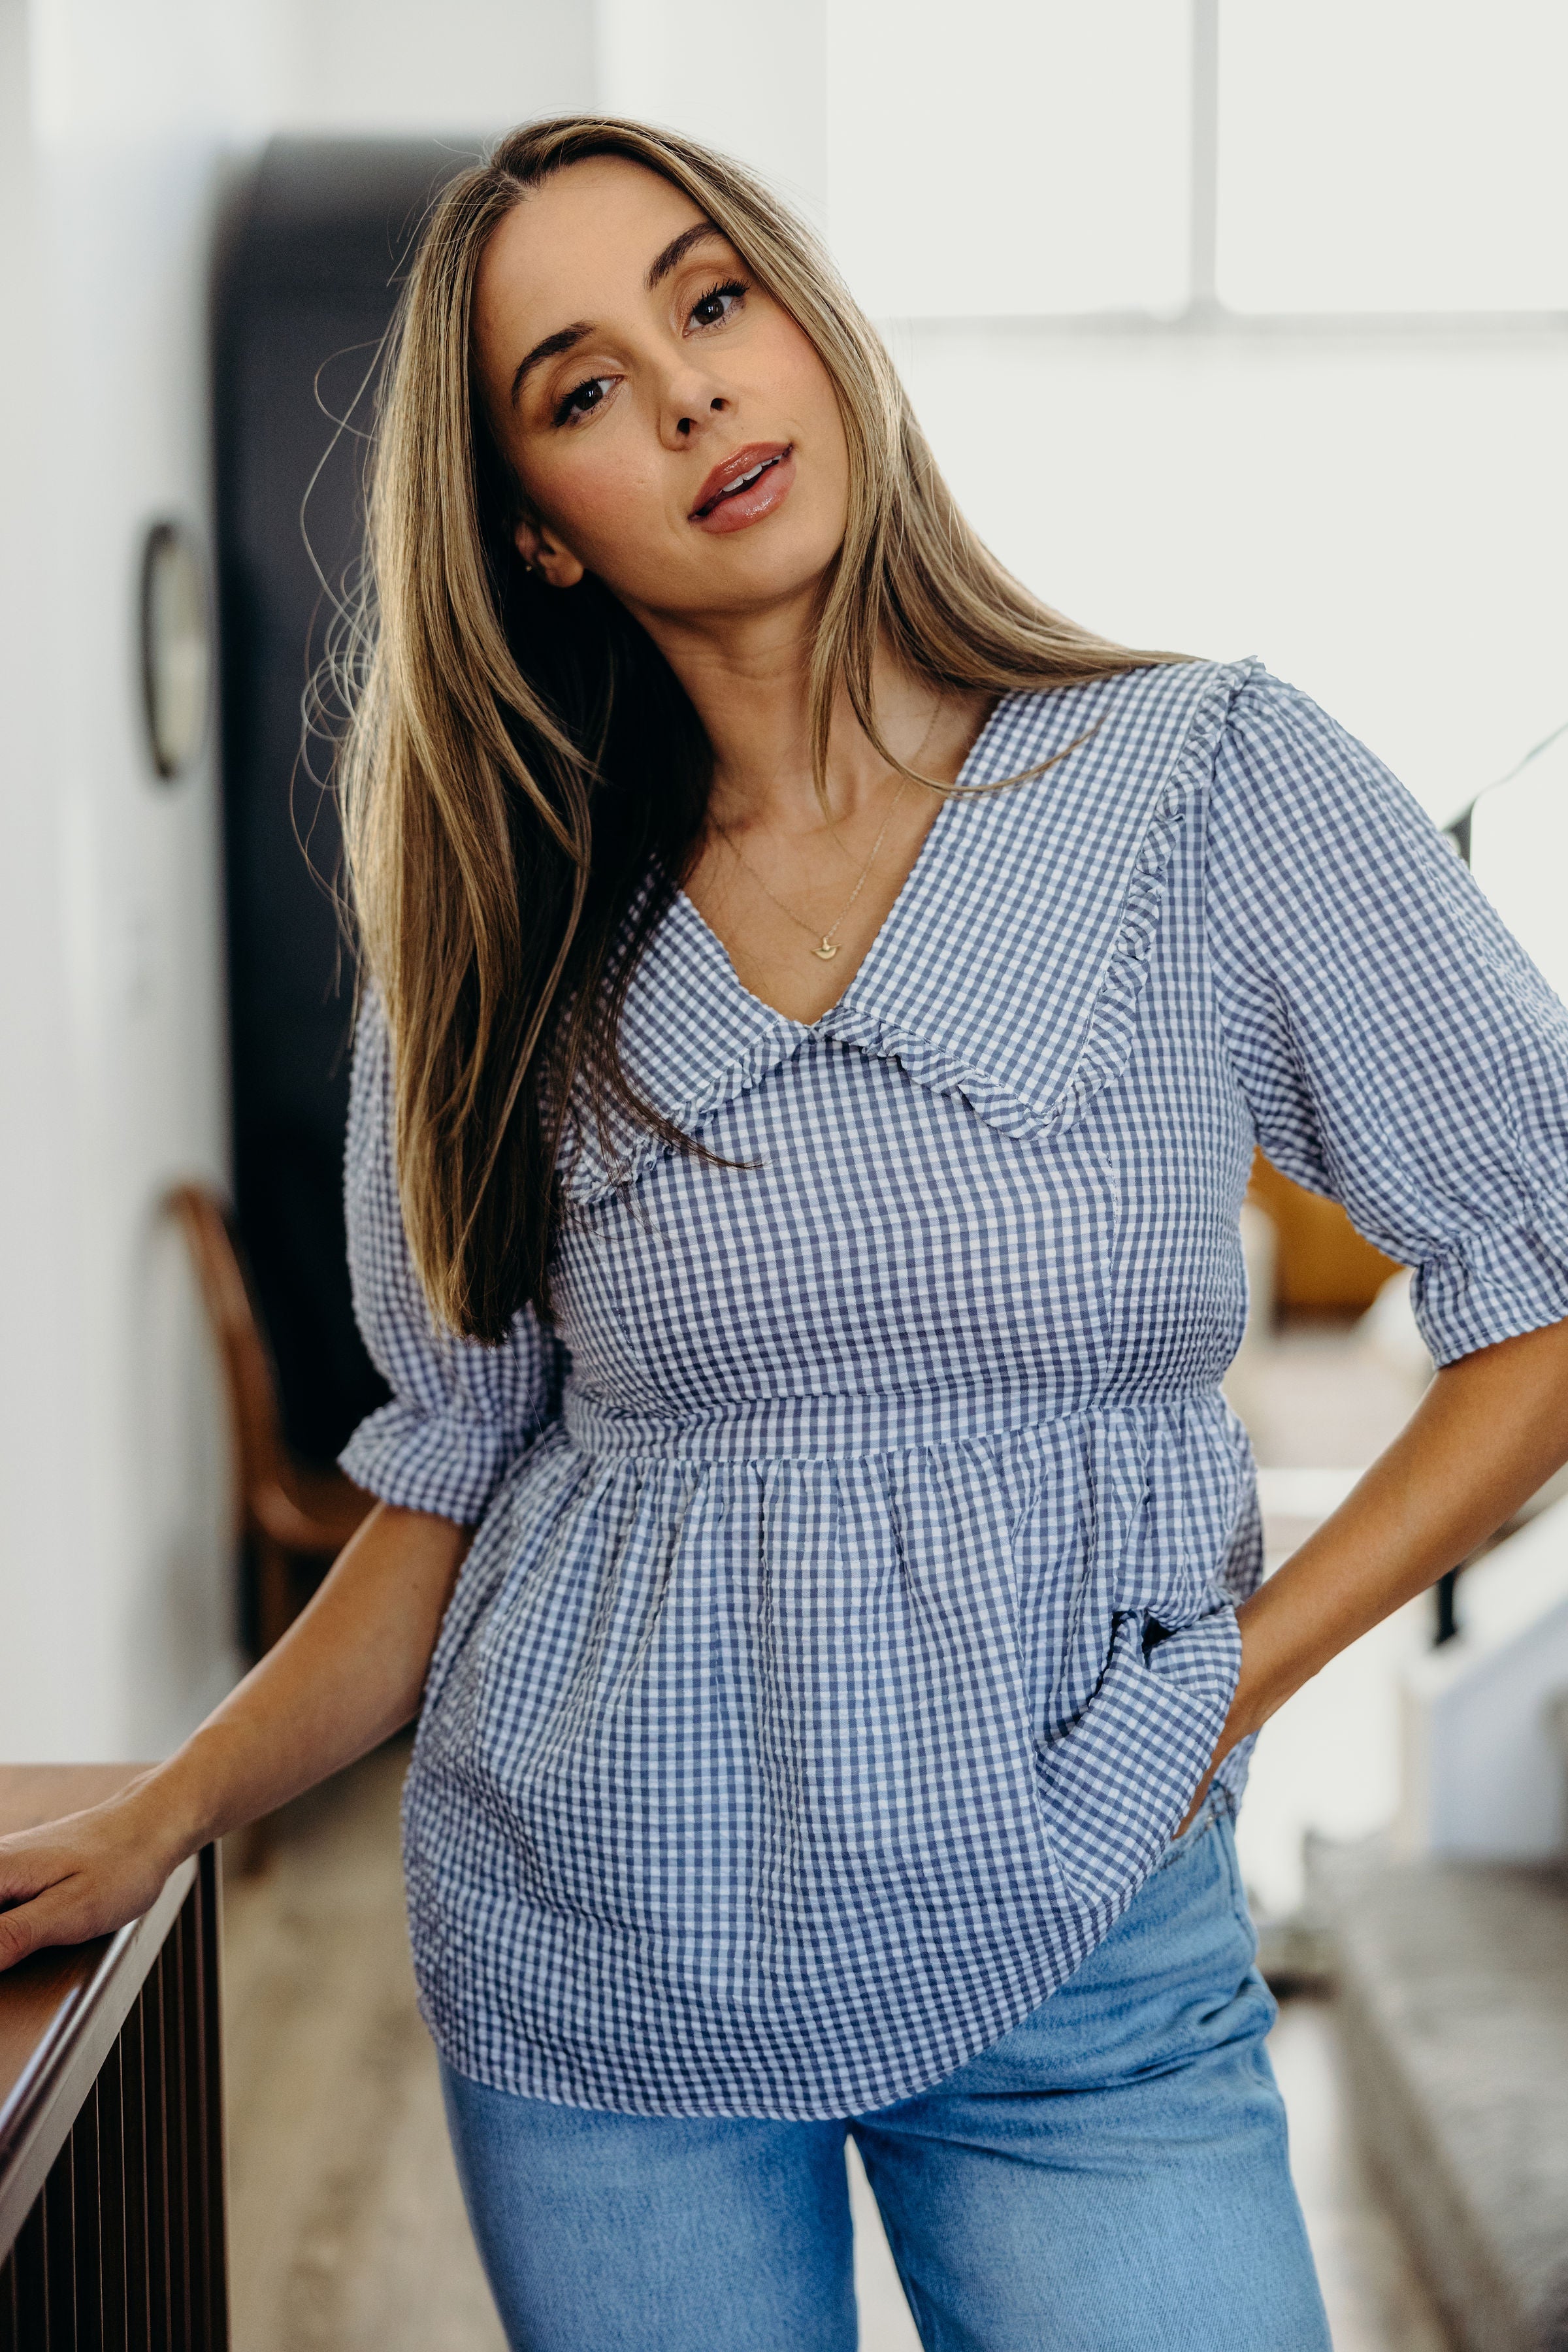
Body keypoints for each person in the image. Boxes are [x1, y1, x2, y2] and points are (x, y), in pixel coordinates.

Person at [5, 114, 1568, 2352]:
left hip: (1080, 1923)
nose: (690, 393)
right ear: (540, 535)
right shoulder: (503, 938)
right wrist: (172, 1806)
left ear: (813, 332)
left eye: (712, 300)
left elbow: (1548, 1282)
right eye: (582, 387)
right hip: (603, 1945)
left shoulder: (1199, 785)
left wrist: (1225, 1686)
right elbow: (450, 1480)